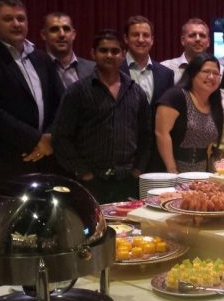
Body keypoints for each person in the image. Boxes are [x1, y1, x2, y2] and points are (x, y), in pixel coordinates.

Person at [0, 0, 62, 194]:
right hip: (2, 164)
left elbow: (61, 104)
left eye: (21, 18)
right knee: (4, 225)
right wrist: (37, 140)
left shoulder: (41, 58)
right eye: (8, 19)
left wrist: (50, 138)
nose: (16, 24)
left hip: (43, 161)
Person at [52, 30, 151, 203]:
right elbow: (61, 137)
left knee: (127, 229)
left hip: (126, 180)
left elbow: (146, 135)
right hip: (90, 181)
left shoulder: (136, 92)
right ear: (93, 54)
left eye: (115, 51)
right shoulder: (77, 91)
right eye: (103, 50)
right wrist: (83, 172)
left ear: (123, 54)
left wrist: (137, 170)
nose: (109, 55)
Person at [155, 53, 224, 173]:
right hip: (172, 170)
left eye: (216, 73)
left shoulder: (215, 103)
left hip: (202, 172)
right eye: (206, 71)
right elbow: (161, 133)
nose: (212, 77)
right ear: (192, 73)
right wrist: (172, 170)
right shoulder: (176, 96)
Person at [120, 15, 174, 107]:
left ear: (152, 40)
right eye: (135, 35)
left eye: (145, 35)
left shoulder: (166, 74)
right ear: (126, 38)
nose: (141, 40)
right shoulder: (115, 70)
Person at [39, 12, 95, 90]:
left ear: (73, 34)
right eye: (54, 30)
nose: (62, 34)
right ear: (44, 35)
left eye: (66, 29)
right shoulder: (35, 70)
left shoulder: (93, 69)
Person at [161, 18, 211, 83]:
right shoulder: (165, 68)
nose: (198, 39)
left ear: (208, 42)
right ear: (183, 40)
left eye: (202, 36)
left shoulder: (220, 71)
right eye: (192, 35)